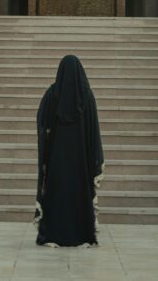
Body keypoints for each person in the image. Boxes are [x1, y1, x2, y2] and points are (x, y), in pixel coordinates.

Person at [35, 54, 104, 247]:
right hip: (80, 162)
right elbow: (93, 130)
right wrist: (93, 159)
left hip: (58, 160)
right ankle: (82, 234)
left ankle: (54, 234)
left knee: (57, 195)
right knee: (79, 195)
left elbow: (41, 120)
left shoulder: (52, 94)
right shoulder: (87, 96)